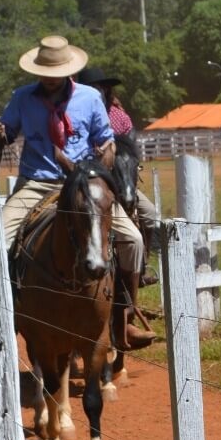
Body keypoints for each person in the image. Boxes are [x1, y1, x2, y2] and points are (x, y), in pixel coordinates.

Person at [0, 35, 155, 353]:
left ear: (68, 71)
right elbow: (7, 131)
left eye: (55, 73)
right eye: (44, 73)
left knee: (132, 241)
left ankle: (124, 318)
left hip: (83, 184)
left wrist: (100, 164)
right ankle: (4, 318)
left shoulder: (90, 98)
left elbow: (106, 140)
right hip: (36, 183)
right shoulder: (22, 98)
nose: (49, 79)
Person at [77, 65, 161, 288]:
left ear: (106, 90)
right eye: (92, 89)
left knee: (150, 214)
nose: (98, 92)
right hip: (93, 181)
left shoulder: (118, 116)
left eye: (101, 88)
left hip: (122, 180)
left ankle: (140, 267)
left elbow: (130, 148)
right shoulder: (77, 113)